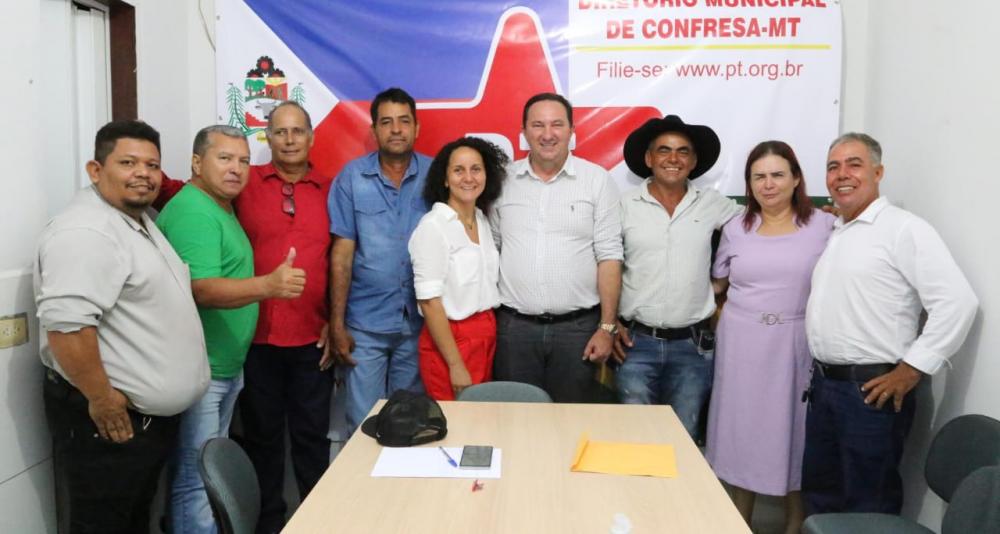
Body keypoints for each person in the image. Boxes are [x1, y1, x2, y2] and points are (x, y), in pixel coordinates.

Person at [33, 120, 210, 534]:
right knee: (103, 524)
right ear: (96, 170)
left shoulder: (133, 219)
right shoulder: (86, 230)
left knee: (130, 520)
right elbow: (67, 327)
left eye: (152, 165)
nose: (143, 174)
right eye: (128, 163)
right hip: (108, 421)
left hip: (138, 424)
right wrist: (103, 399)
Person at [803, 132, 978, 515]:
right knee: (821, 497)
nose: (842, 174)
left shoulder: (902, 228)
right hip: (825, 388)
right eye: (833, 167)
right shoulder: (838, 232)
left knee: (868, 505)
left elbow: (957, 301)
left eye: (854, 164)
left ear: (878, 172)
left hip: (870, 393)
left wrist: (913, 368)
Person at [157, 125, 306, 534]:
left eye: (243, 160)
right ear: (196, 163)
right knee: (197, 483)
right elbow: (202, 289)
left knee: (212, 480)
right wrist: (268, 286)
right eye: (224, 158)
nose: (236, 169)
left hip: (222, 368)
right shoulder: (193, 212)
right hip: (203, 370)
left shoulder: (218, 207)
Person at [705, 141, 834, 533]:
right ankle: (739, 520)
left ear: (796, 179)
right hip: (741, 343)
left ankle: (796, 523)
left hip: (795, 343)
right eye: (759, 176)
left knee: (794, 433)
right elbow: (718, 284)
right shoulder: (735, 228)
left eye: (778, 175)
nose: (768, 184)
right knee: (742, 431)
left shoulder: (825, 226)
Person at [233, 101, 333, 533]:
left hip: (314, 340)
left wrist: (335, 320)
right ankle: (268, 526)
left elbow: (345, 259)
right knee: (262, 443)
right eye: (280, 132)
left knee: (312, 442)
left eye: (297, 131)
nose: (289, 140)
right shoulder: (244, 182)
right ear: (267, 138)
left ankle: (318, 524)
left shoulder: (332, 188)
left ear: (311, 136)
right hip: (256, 340)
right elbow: (190, 192)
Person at [614, 115, 742, 440]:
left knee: (684, 441)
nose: (673, 158)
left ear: (694, 161)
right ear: (648, 158)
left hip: (692, 347)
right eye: (664, 150)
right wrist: (609, 321)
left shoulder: (713, 204)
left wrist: (720, 283)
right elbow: (603, 263)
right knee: (635, 441)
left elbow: (760, 228)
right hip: (635, 345)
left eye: (683, 151)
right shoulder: (623, 206)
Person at [489, 92, 623, 403]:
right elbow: (491, 250)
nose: (547, 134)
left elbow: (609, 256)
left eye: (557, 125)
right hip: (514, 330)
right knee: (516, 419)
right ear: (524, 132)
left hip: (577, 330)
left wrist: (607, 327)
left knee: (571, 420)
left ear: (571, 131)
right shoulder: (502, 181)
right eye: (538, 125)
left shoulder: (596, 180)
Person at [328, 88, 431, 431]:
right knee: (363, 425)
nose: (396, 129)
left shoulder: (436, 175)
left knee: (410, 424)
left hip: (419, 324)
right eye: (386, 122)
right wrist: (337, 324)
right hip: (365, 326)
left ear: (416, 127)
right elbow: (342, 255)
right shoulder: (352, 177)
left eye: (404, 121)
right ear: (374, 130)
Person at [408, 137, 508, 400]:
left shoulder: (482, 220)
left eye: (476, 169)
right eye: (458, 170)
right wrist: (455, 364)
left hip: (486, 333)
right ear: (444, 179)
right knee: (455, 420)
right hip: (451, 341)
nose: (468, 178)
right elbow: (429, 302)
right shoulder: (433, 226)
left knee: (481, 418)